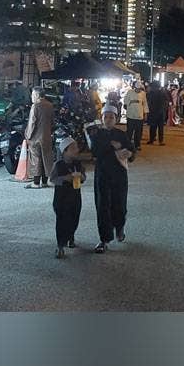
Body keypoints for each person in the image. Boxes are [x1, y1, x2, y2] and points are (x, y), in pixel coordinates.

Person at [88, 104, 135, 253]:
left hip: (119, 176)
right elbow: (95, 152)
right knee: (102, 206)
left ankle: (119, 227)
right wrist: (111, 145)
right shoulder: (97, 134)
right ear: (101, 119)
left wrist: (129, 153)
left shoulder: (122, 134)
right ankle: (104, 239)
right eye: (105, 117)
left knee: (119, 204)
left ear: (116, 119)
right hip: (102, 176)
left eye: (111, 117)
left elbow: (132, 151)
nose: (108, 120)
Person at [49, 136, 87, 259]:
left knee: (74, 218)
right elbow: (52, 180)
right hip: (61, 198)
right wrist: (65, 178)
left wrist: (80, 177)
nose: (77, 150)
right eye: (73, 148)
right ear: (65, 151)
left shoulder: (78, 164)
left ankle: (71, 237)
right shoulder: (58, 165)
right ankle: (60, 245)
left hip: (75, 197)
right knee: (61, 221)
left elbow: (84, 177)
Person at [24, 86, 55, 188]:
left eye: (32, 95)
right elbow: (52, 122)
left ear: (37, 95)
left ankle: (36, 183)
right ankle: (45, 182)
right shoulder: (50, 105)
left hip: (36, 138)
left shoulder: (35, 106)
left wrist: (28, 136)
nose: (31, 97)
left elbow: (32, 123)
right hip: (46, 136)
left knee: (36, 159)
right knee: (45, 159)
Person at [123, 81, 146, 151]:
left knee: (138, 132)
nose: (138, 90)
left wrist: (146, 113)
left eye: (139, 89)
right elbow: (125, 102)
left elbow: (145, 104)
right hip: (131, 115)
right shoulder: (130, 92)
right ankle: (127, 144)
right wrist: (129, 105)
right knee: (129, 131)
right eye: (137, 89)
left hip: (139, 116)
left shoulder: (143, 94)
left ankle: (137, 145)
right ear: (134, 87)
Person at [146, 81, 167, 145]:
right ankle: (161, 141)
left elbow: (148, 103)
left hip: (153, 112)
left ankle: (152, 140)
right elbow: (166, 102)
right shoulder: (163, 93)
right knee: (160, 128)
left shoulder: (150, 93)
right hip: (161, 112)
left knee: (153, 127)